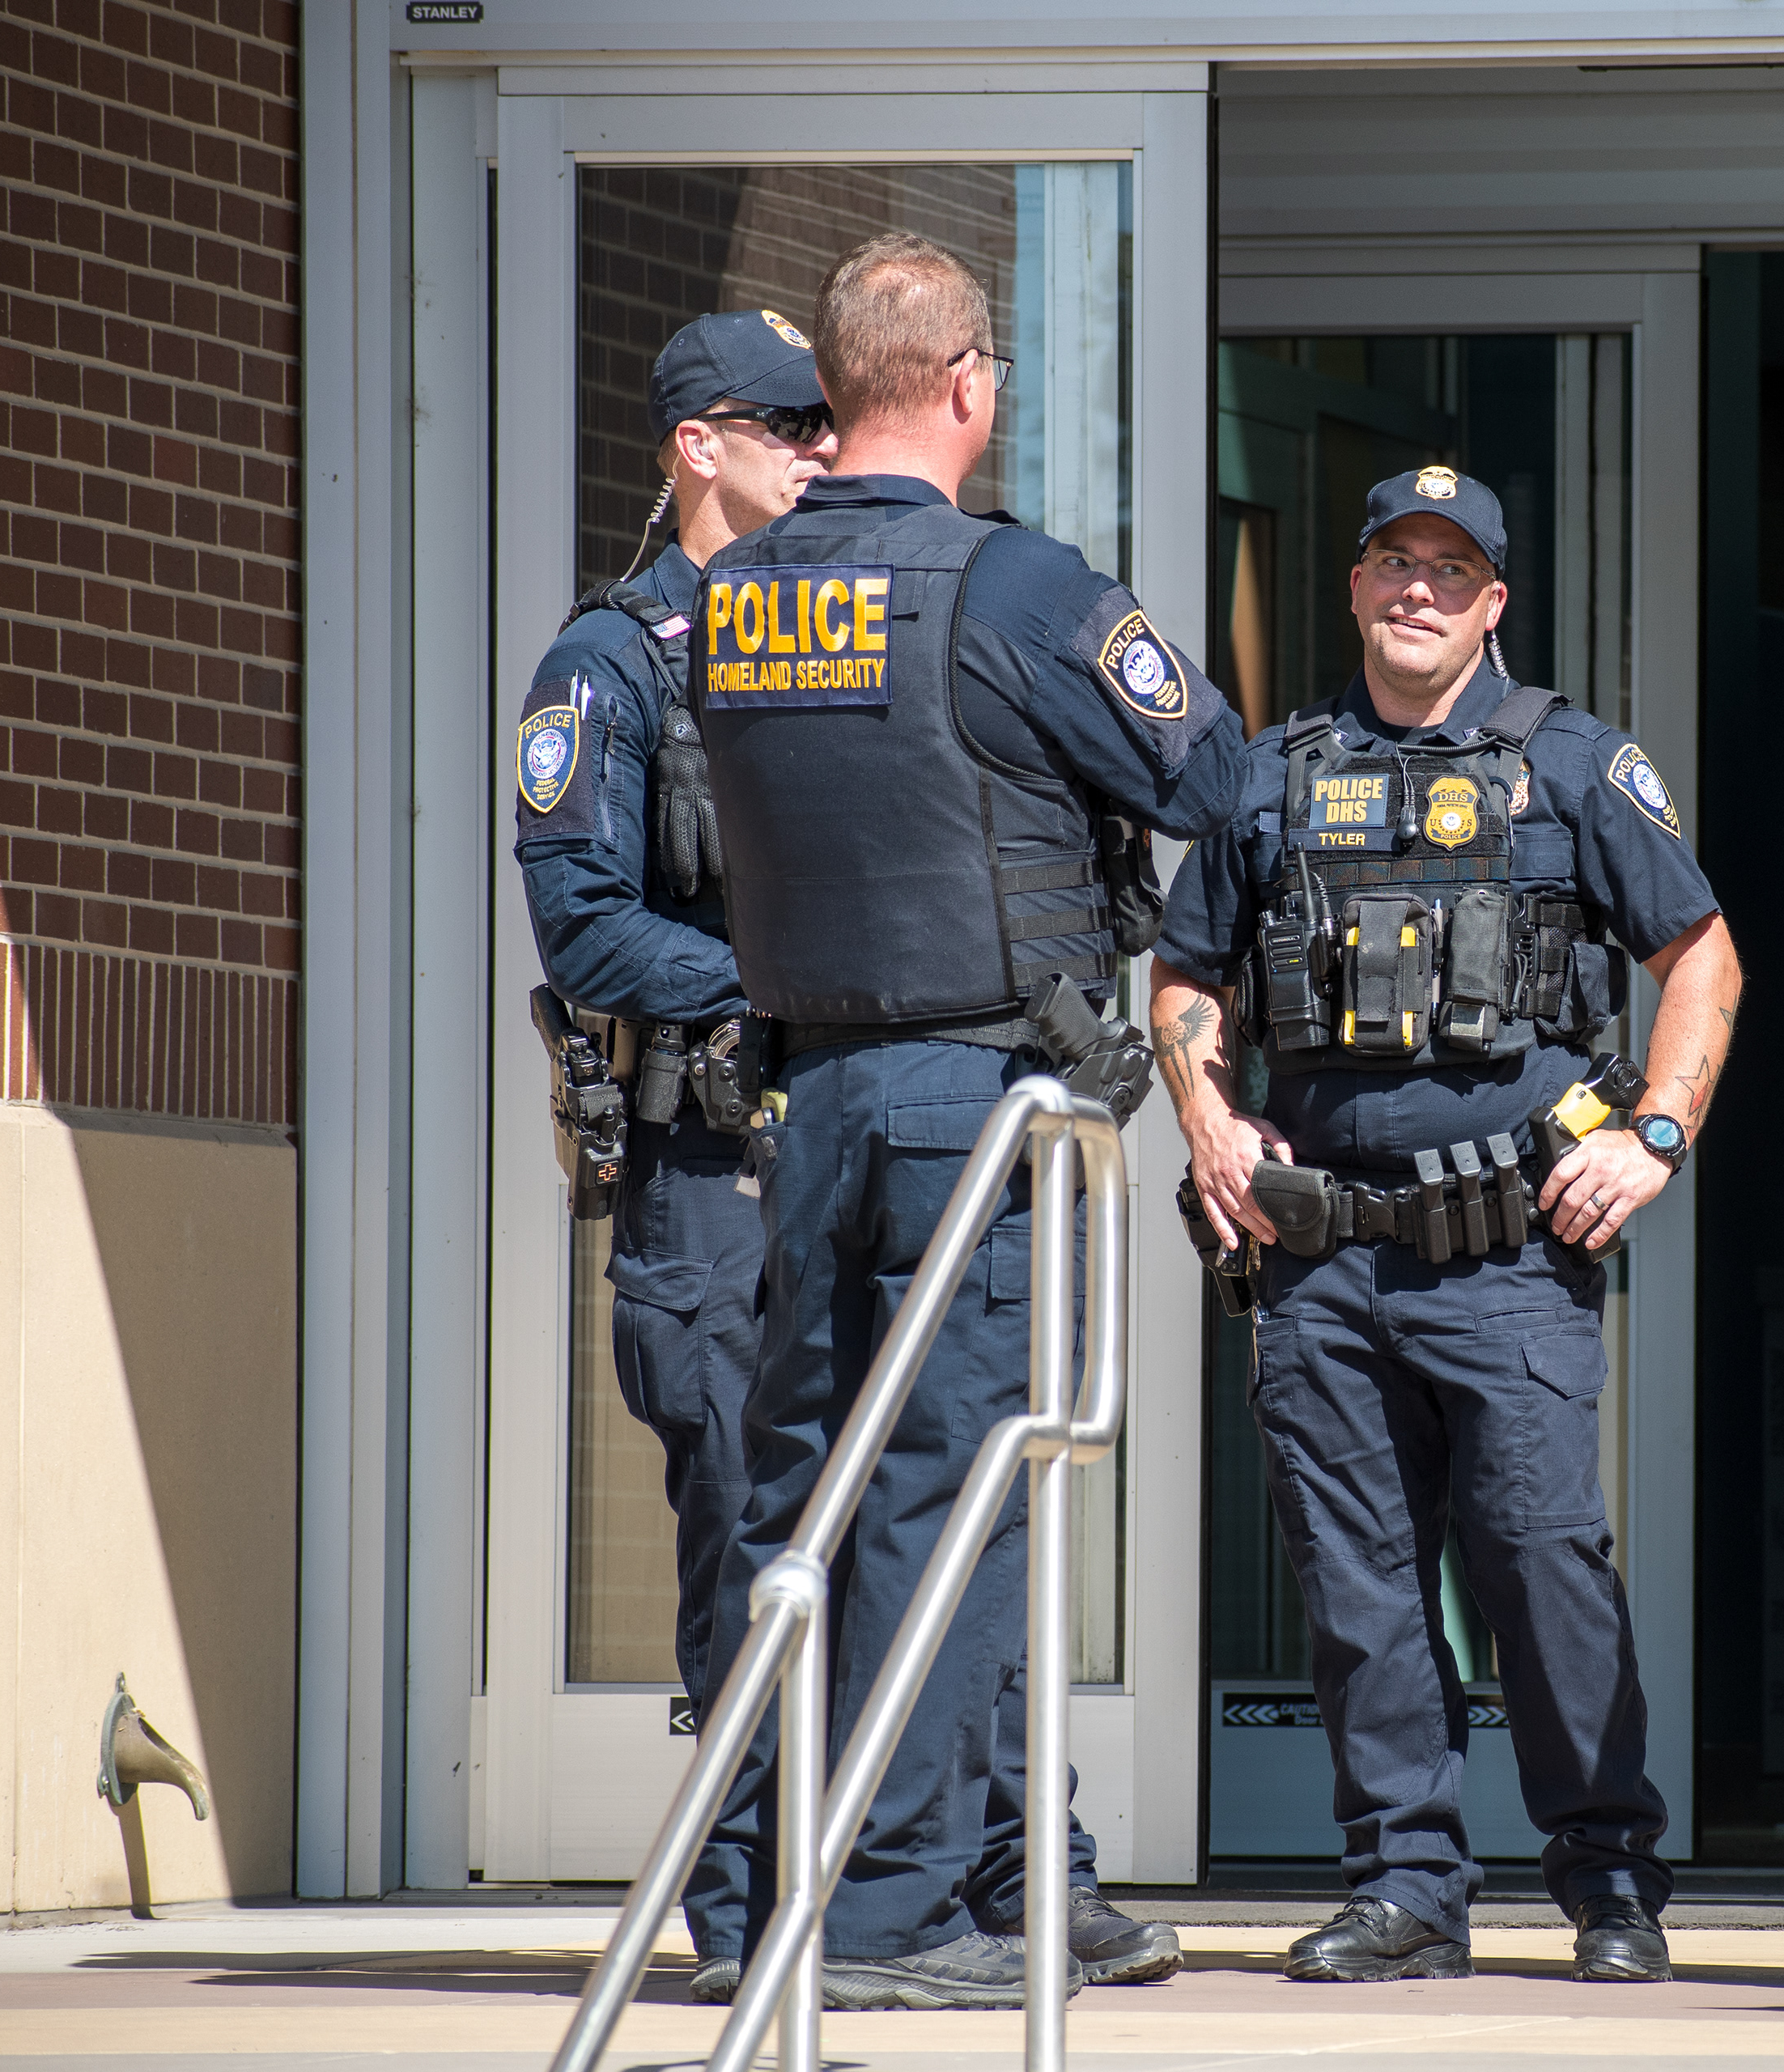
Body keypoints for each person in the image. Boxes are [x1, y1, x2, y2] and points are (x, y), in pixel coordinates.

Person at [512, 310, 1171, 2010]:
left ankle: (1018, 1865)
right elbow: (584, 925)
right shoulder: (627, 656)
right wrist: (801, 980)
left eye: (830, 418)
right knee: (762, 1537)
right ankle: (745, 1906)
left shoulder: (880, 614)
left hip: (867, 1132)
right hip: (723, 1166)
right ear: (693, 446)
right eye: (779, 421)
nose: (818, 446)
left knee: (956, 1497)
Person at [678, 236, 1241, 2010]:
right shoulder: (1011, 588)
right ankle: (898, 1905)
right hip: (979, 1105)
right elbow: (1214, 777)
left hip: (809, 1096)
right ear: (974, 385)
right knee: (956, 1496)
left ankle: (772, 1880)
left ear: (835, 387)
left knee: (803, 1496)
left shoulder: (737, 596)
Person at [1152, 467, 1744, 1985]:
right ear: (1352, 588)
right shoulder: (1268, 778)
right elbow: (1185, 979)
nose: (1417, 588)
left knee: (1544, 1566)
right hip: (1322, 1257)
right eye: (1390, 563)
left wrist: (1657, 1135)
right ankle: (1405, 1888)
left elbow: (1705, 959)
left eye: (1450, 567)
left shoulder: (1574, 768)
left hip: (1511, 1254)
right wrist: (1211, 1122)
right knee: (1360, 1589)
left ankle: (1608, 1881)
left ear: (1494, 599)